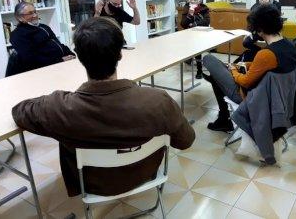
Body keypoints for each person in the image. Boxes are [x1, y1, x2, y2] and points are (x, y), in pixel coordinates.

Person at [12, 17, 195, 197]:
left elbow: (19, 111)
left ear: (80, 57)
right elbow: (186, 141)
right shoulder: (159, 101)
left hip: (92, 185)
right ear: (120, 54)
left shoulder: (59, 107)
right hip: (145, 174)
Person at [203, 4, 296, 132]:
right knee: (218, 76)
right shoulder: (289, 44)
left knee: (208, 59)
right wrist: (245, 65)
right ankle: (223, 118)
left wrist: (232, 69)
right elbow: (267, 67)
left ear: (259, 30)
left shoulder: (266, 54)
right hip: (278, 98)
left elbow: (245, 82)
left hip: (252, 98)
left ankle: (223, 118)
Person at [9, 1, 75, 74]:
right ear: (20, 17)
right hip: (43, 71)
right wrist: (60, 60)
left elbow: (58, 44)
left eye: (35, 12)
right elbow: (31, 59)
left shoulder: (44, 27)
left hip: (62, 65)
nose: (34, 15)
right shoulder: (17, 35)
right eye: (30, 13)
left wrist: (70, 54)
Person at [181, 0, 210, 79]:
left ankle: (199, 69)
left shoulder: (204, 9)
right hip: (189, 34)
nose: (192, 1)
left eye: (195, 0)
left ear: (199, 1)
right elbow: (183, 24)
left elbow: (207, 21)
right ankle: (190, 59)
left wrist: (195, 24)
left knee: (197, 46)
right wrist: (190, 14)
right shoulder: (186, 8)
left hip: (201, 33)